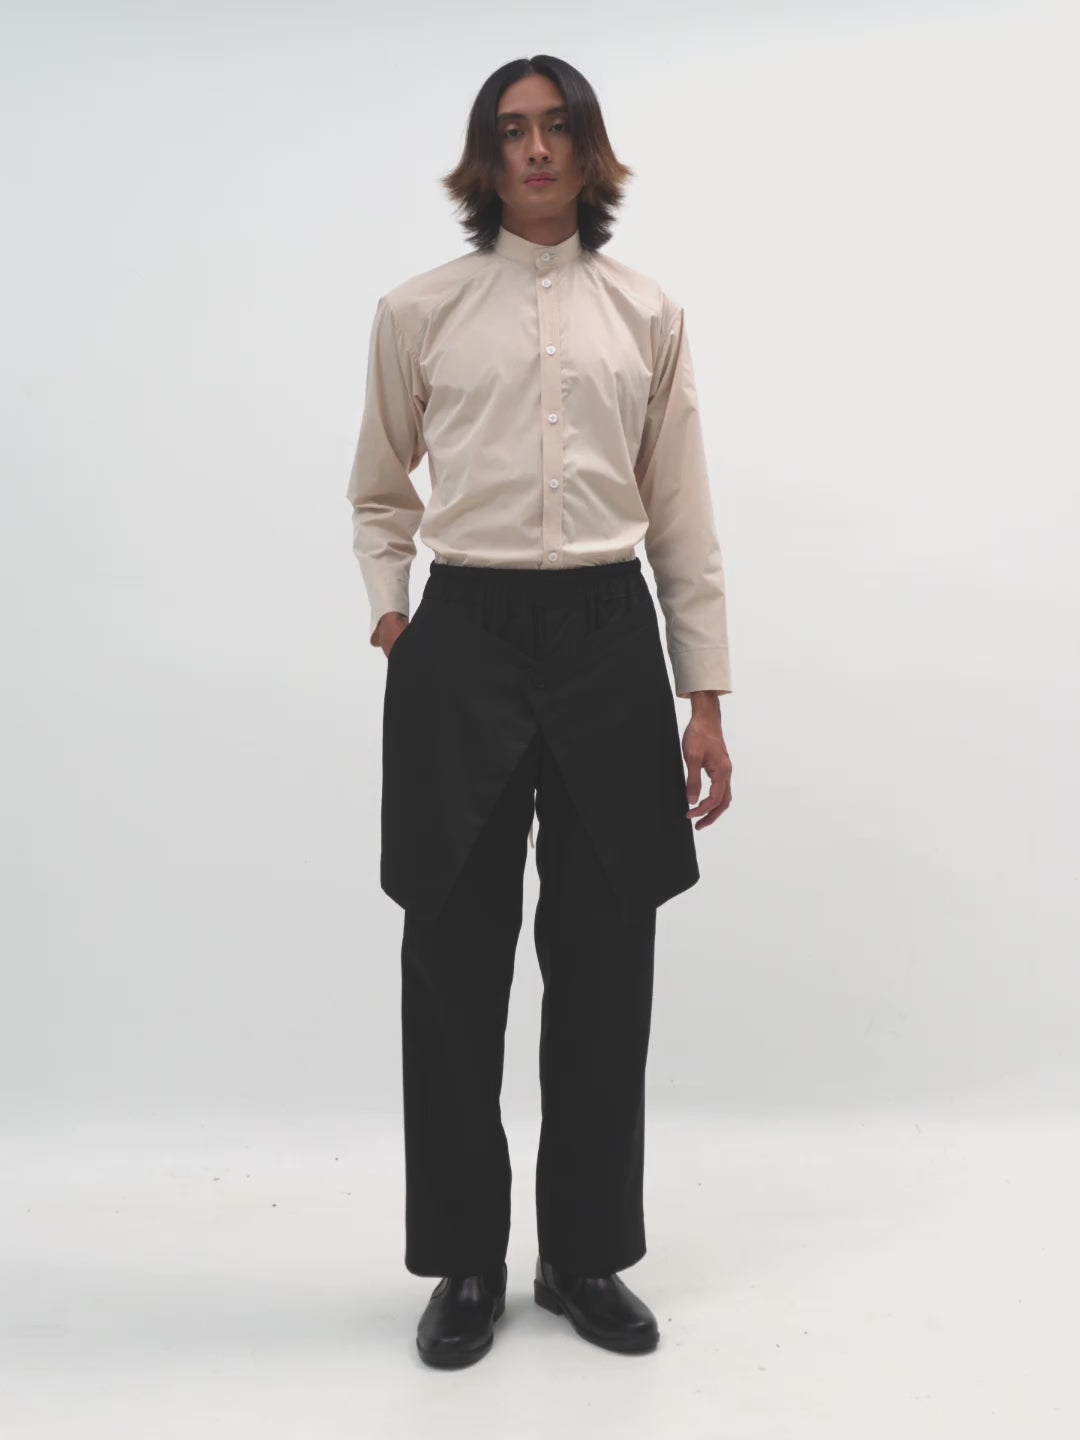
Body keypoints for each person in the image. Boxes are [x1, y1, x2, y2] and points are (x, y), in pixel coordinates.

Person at [345, 53, 733, 1367]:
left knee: (608, 957)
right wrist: (395, 614)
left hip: (609, 638)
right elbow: (379, 489)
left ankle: (583, 1255)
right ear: (484, 156)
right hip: (463, 639)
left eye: (558, 126)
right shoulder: (420, 310)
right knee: (451, 955)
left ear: (590, 148)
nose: (536, 148)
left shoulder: (647, 313)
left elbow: (681, 512)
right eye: (511, 129)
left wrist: (704, 695)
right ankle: (465, 1259)